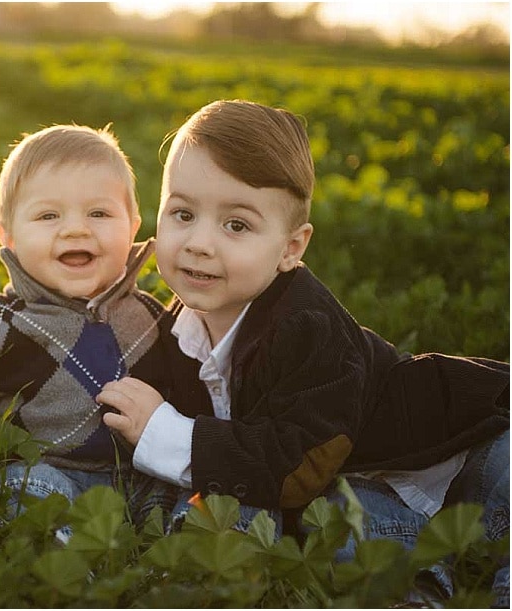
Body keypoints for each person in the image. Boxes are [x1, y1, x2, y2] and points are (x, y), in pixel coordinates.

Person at [96, 100, 509, 604]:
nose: (199, 242)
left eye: (237, 225)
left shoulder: (307, 327)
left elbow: (297, 469)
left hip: (475, 449)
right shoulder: (174, 328)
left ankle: (417, 591)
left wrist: (167, 434)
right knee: (340, 523)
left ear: (292, 248)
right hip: (371, 483)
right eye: (183, 214)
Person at [0, 124, 208, 541]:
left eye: (99, 213)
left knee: (201, 497)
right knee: (24, 494)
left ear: (133, 225)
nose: (76, 230)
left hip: (144, 476)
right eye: (48, 216)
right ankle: (59, 571)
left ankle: (175, 571)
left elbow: (203, 399)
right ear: (6, 233)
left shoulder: (160, 319)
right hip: (51, 473)